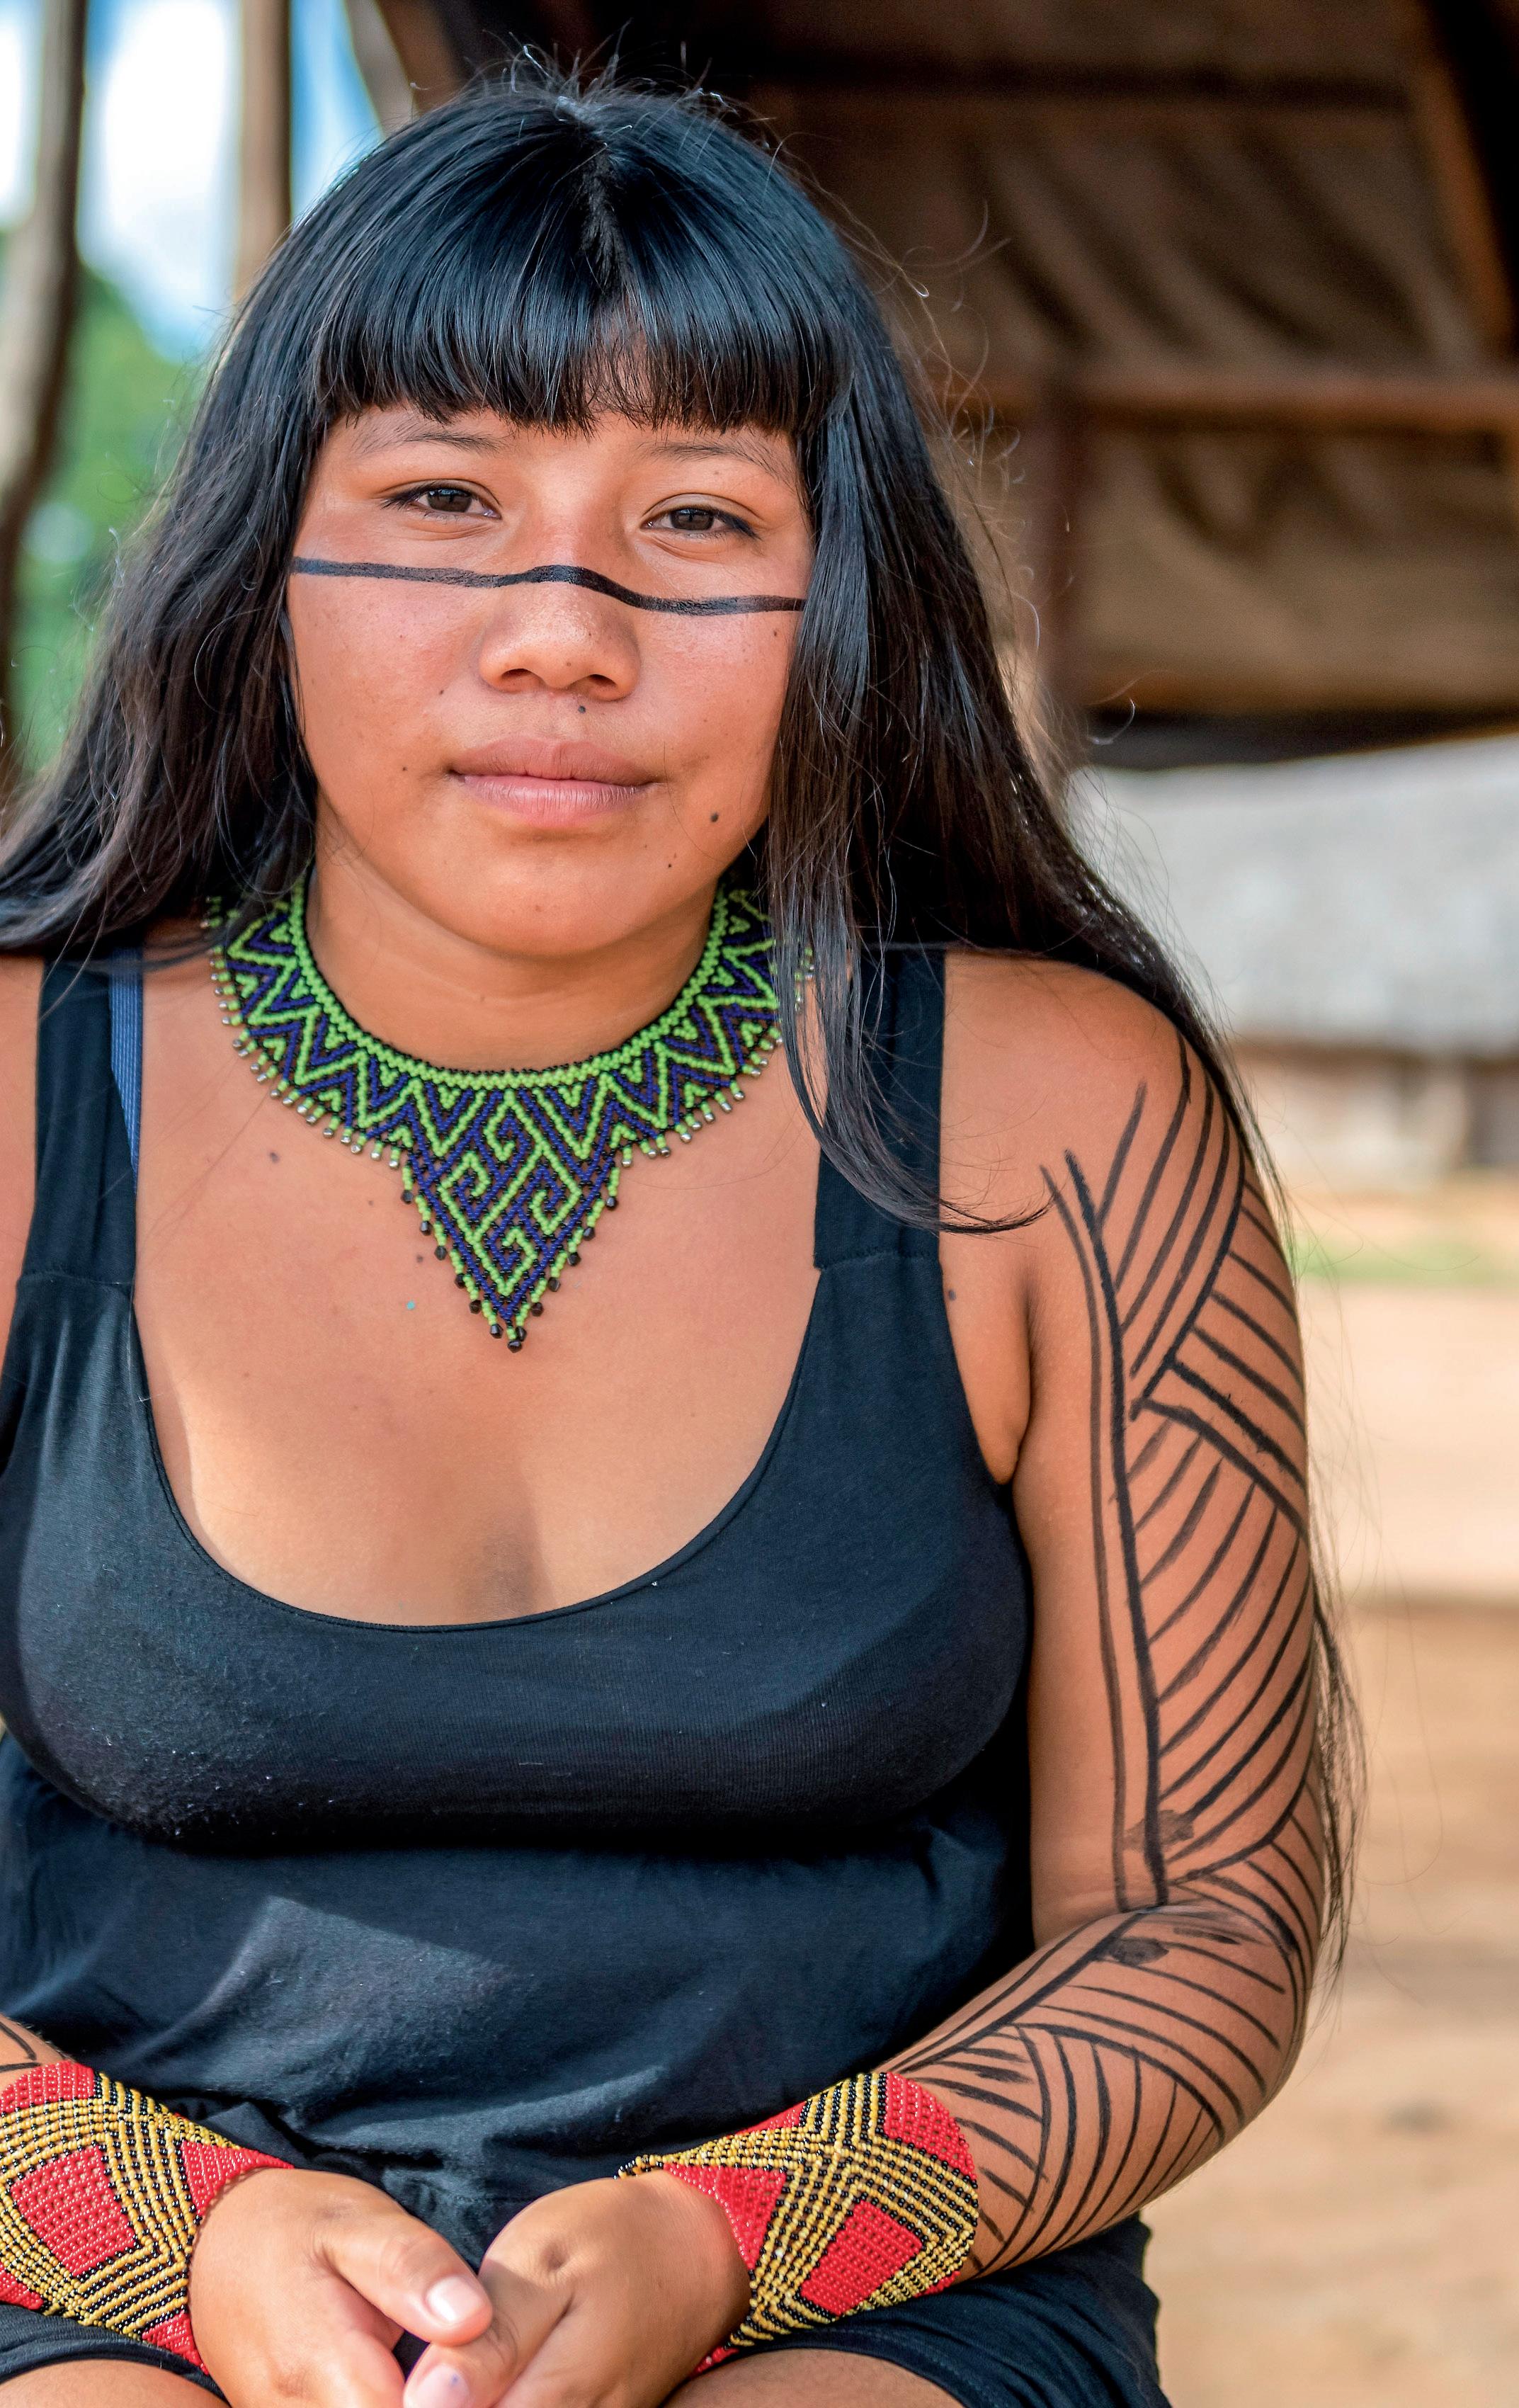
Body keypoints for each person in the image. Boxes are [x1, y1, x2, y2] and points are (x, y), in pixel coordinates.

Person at [0, 70, 1350, 2408]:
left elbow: (1193, 1921)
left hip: (864, 2284)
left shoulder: (1056, 1123)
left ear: (841, 601)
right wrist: (187, 2245)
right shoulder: (20, 1103)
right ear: (259, 565)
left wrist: (733, 2238)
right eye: (443, 498)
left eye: (699, 520)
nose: (561, 633)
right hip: (86, 2257)